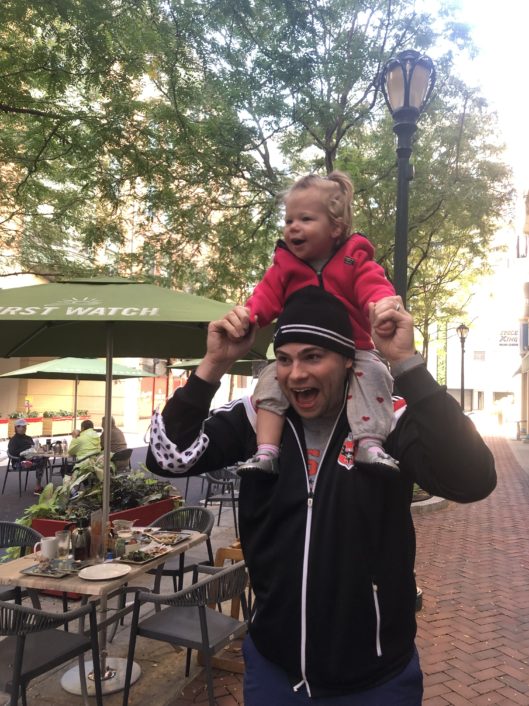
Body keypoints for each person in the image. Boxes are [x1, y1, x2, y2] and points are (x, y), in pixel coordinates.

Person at [146, 285, 496, 704]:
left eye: (313, 357)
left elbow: (473, 479)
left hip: (377, 677)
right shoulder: (256, 418)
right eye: (285, 360)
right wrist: (214, 364)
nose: (296, 374)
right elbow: (167, 458)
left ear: (349, 360)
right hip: (275, 670)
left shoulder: (389, 420)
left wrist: (406, 363)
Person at [238, 171, 398, 475]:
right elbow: (265, 295)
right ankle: (267, 451)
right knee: (271, 378)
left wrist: (383, 305)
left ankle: (369, 443)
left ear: (336, 227)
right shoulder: (285, 265)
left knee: (375, 372)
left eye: (305, 219)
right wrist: (249, 316)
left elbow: (373, 285)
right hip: (300, 349)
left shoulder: (354, 260)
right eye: (288, 221)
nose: (293, 228)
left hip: (354, 348)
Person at [7, 419, 47, 495]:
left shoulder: (28, 438)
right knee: (40, 461)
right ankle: (37, 487)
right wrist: (26, 451)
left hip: (32, 459)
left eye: (25, 426)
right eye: (22, 426)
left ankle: (38, 485)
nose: (24, 428)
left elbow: (34, 448)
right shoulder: (13, 440)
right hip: (19, 462)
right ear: (16, 427)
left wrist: (41, 447)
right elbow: (12, 453)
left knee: (43, 458)